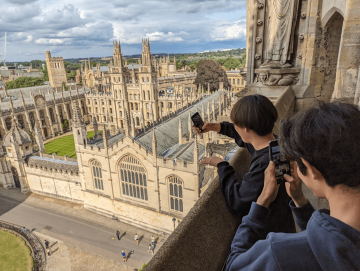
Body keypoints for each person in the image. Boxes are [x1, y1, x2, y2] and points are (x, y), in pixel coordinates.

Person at [225, 102, 360, 270]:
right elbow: (327, 239)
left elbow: (233, 266)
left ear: (311, 170)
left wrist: (261, 203)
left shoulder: (277, 252)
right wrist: (300, 200)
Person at [195, 94, 295, 234]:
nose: (235, 128)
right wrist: (214, 127)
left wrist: (222, 165)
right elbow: (243, 137)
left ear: (247, 128)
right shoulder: (276, 145)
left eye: (236, 124)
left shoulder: (265, 164)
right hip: (286, 224)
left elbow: (238, 202)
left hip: (270, 234)